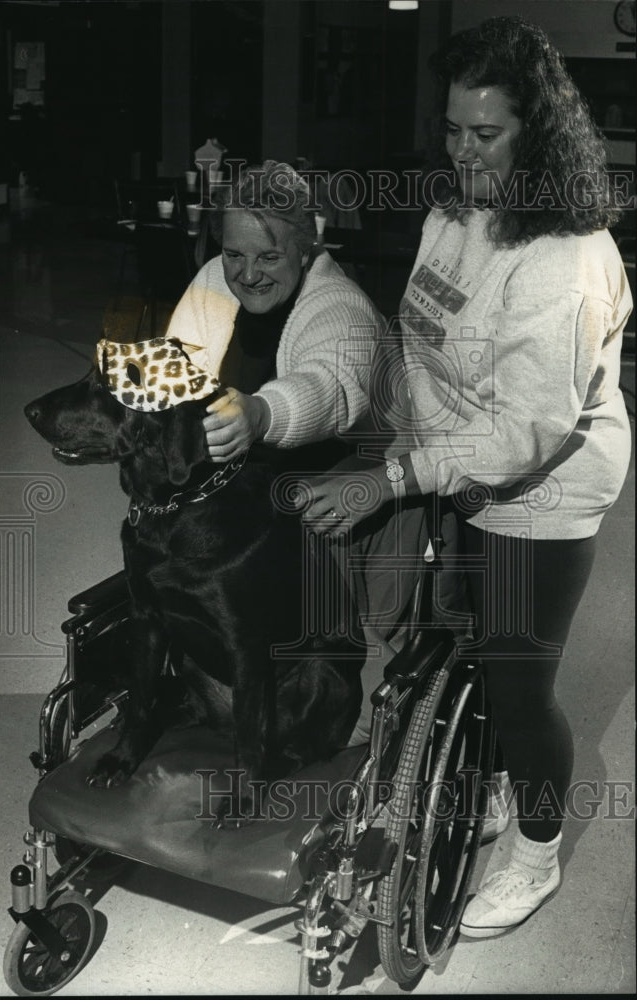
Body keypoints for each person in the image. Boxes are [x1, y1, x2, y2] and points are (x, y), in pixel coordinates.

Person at [304, 15, 632, 939]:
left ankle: (534, 853)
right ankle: (482, 775)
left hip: (545, 488)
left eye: (483, 134)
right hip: (459, 466)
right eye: (452, 129)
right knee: (461, 634)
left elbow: (525, 432)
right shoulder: (453, 211)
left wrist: (400, 476)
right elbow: (424, 333)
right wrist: (401, 441)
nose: (462, 152)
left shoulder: (564, 261)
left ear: (537, 131)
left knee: (518, 679)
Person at [164, 159, 383, 466]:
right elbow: (176, 363)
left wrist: (262, 413)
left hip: (345, 465)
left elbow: (330, 385)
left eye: (269, 257)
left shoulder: (342, 307)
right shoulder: (215, 277)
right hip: (242, 462)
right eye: (234, 254)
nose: (249, 275)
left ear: (305, 251)